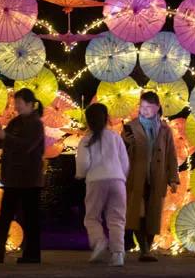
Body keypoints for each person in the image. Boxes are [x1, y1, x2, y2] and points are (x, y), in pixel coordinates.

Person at [0, 88, 45, 264]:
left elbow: (26, 146)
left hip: (29, 179)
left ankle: (32, 254)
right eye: (15, 103)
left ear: (29, 104)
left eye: (19, 103)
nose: (16, 106)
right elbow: (3, 142)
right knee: (5, 216)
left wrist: (4, 136)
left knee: (30, 218)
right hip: (12, 177)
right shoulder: (15, 122)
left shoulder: (36, 124)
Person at [122, 91, 179, 262]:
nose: (144, 110)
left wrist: (173, 178)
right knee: (138, 213)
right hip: (136, 177)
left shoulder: (165, 129)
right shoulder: (130, 127)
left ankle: (147, 247)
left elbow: (171, 155)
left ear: (157, 107)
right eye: (142, 106)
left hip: (157, 177)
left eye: (149, 107)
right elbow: (121, 152)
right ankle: (144, 249)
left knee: (153, 214)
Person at [75, 103, 129, 267]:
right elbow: (125, 162)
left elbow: (83, 163)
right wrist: (121, 177)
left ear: (88, 121)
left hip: (96, 181)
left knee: (92, 217)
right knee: (117, 219)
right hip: (117, 180)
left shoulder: (86, 140)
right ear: (107, 118)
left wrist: (80, 174)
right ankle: (118, 254)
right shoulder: (115, 137)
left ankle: (99, 241)